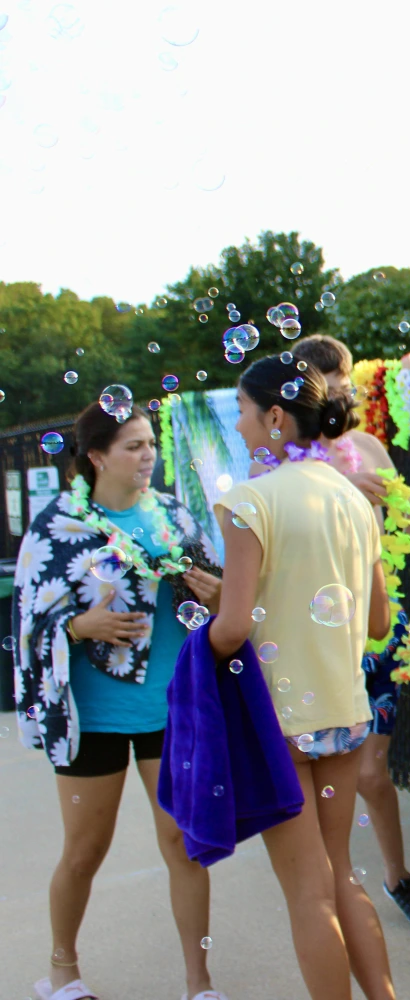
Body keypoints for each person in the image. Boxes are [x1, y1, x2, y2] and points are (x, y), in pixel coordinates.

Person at [13, 402, 227, 1000]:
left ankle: (199, 984)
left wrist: (217, 596)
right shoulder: (58, 525)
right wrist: (80, 627)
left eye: (150, 443)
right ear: (97, 456)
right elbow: (28, 623)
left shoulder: (174, 517)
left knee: (183, 844)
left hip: (171, 709)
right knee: (85, 850)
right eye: (133, 445)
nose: (148, 454)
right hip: (93, 717)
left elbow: (220, 600)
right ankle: (62, 971)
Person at [210, 356, 397, 1000]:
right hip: (344, 712)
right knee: (341, 873)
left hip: (279, 721)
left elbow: (232, 629)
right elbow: (379, 622)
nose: (237, 425)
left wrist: (206, 627)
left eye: (241, 410)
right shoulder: (353, 497)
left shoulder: (248, 501)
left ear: (275, 416)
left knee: (307, 892)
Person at [290, 335, 410, 933]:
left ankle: (396, 877)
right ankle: (326, 881)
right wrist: (336, 493)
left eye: (346, 382)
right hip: (316, 637)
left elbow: (404, 525)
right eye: (330, 384)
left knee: (368, 774)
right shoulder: (288, 459)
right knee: (319, 776)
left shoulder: (367, 447)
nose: (344, 393)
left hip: (376, 629)